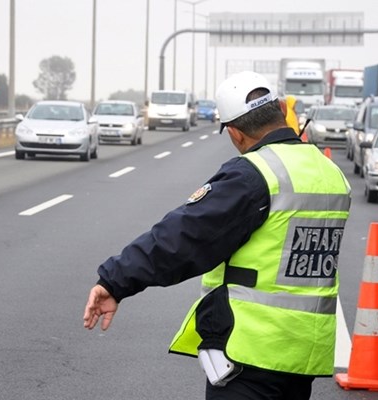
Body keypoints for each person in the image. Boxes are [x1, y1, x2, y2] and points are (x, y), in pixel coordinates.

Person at [83, 71, 352, 400]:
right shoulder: (329, 173)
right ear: (282, 110)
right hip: (303, 355)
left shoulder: (255, 174)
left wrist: (115, 280)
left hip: (251, 353)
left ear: (236, 134)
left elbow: (184, 237)